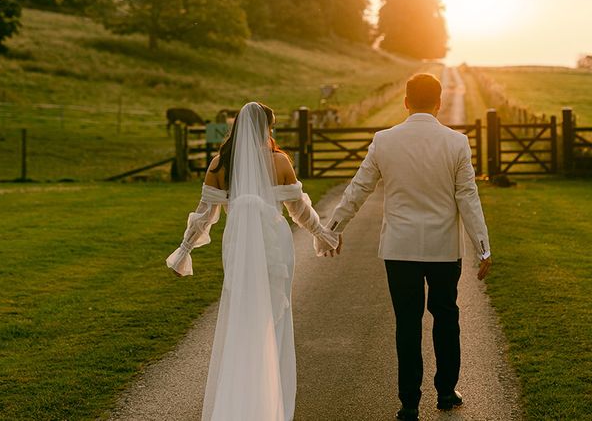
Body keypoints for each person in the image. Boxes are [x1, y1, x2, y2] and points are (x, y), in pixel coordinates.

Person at [323, 73, 492, 421]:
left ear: (405, 101)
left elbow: (359, 188)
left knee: (407, 322)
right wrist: (482, 247)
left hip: (399, 249)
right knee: (446, 317)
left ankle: (409, 403)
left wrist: (333, 227)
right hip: (444, 249)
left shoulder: (384, 140)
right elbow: (468, 197)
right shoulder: (456, 142)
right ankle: (446, 392)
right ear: (439, 102)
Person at [166, 101, 338, 421]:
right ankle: (271, 406)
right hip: (275, 247)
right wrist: (322, 234)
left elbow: (205, 216)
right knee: (275, 320)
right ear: (267, 128)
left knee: (243, 319)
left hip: (238, 247)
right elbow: (298, 210)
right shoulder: (280, 162)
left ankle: (244, 400)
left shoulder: (220, 165)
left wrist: (184, 249)